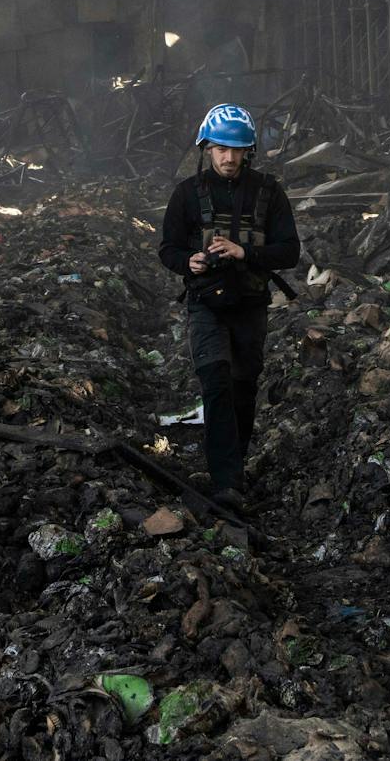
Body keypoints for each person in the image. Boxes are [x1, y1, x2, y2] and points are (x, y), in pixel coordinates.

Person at [156, 103, 301, 512]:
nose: (229, 158)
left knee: (241, 389)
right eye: (221, 149)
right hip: (205, 304)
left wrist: (244, 250)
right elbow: (167, 249)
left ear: (249, 152)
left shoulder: (269, 193)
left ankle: (233, 467)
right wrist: (189, 260)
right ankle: (226, 483)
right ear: (207, 148)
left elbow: (289, 251)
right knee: (215, 382)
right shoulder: (187, 194)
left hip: (250, 304)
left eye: (237, 150)